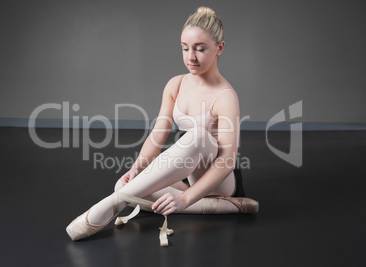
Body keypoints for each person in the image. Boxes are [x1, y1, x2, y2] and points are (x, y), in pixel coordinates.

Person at [66, 6, 259, 244]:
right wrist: (137, 167)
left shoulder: (226, 96)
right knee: (125, 184)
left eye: (200, 49)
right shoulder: (175, 85)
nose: (191, 57)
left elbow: (227, 160)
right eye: (185, 48)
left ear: (219, 48)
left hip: (220, 180)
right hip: (192, 175)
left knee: (198, 136)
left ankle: (106, 207)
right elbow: (157, 137)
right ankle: (230, 208)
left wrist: (186, 198)